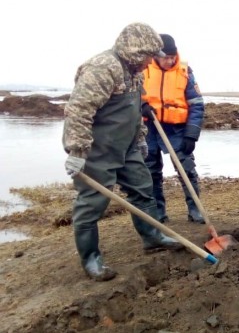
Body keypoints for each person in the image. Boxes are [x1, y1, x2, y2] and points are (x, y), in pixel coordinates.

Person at [63, 23, 183, 282]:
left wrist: (140, 138)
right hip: (98, 149)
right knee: (92, 202)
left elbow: (134, 110)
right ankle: (91, 258)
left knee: (143, 187)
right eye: (149, 56)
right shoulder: (103, 68)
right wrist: (77, 150)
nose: (151, 62)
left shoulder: (134, 72)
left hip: (127, 146)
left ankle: (152, 237)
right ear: (136, 51)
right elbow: (79, 110)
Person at [141, 34, 205, 223]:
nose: (170, 61)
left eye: (172, 57)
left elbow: (197, 104)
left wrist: (191, 134)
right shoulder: (142, 69)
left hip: (176, 129)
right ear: (156, 55)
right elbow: (128, 96)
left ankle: (195, 210)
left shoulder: (185, 71)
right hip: (149, 127)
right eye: (166, 57)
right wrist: (141, 105)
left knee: (187, 168)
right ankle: (158, 212)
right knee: (151, 171)